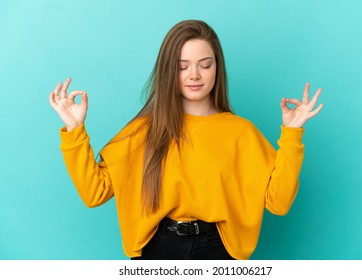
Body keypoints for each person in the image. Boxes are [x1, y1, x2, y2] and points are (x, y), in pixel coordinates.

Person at [49, 20, 323, 260]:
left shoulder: (241, 132)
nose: (195, 75)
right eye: (183, 67)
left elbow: (279, 202)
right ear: (169, 71)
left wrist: (292, 134)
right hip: (156, 250)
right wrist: (75, 130)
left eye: (205, 64)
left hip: (220, 250)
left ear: (217, 68)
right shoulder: (145, 130)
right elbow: (94, 193)